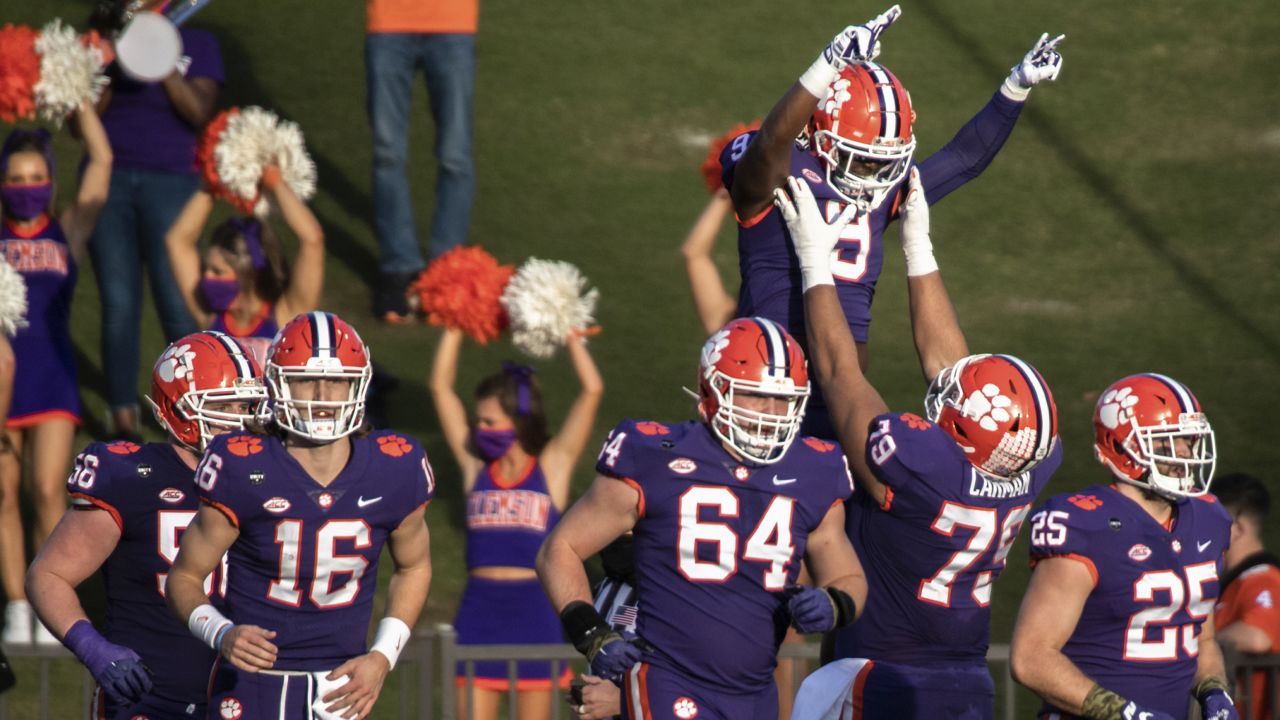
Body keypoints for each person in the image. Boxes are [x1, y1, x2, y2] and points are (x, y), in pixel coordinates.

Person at [778, 167, 1061, 717]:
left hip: (881, 679)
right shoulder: (1032, 460)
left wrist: (814, 261)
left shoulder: (916, 467)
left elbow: (840, 373)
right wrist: (918, 246)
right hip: (968, 684)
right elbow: (952, 371)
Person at [722, 5, 1063, 436]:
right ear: (818, 131)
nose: (873, 175)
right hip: (761, 389)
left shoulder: (882, 189)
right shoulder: (779, 177)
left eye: (882, 162)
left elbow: (964, 159)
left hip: (844, 396)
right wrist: (826, 64)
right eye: (860, 159)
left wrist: (1014, 88)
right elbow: (771, 142)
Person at [538, 316, 867, 720]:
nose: (772, 412)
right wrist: (591, 633)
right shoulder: (655, 456)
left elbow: (849, 577)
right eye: (755, 395)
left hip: (755, 690)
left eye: (784, 399)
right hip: (668, 678)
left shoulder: (814, 470)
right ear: (712, 390)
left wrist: (833, 604)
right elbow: (561, 547)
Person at [166, 312, 434, 719]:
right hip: (252, 681)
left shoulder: (396, 466)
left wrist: (382, 656)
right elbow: (183, 577)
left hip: (342, 687)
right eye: (306, 379)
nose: (323, 395)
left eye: (337, 380)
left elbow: (414, 567)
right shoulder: (241, 466)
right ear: (277, 383)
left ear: (357, 385)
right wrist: (221, 633)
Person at [25, 331, 267, 719]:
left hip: (247, 697)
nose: (243, 418)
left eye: (249, 404)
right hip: (149, 698)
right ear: (179, 409)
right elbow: (49, 574)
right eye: (228, 404)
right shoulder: (130, 477)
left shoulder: (268, 477)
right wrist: (92, 647)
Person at [1010, 374, 1236, 719]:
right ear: (1120, 447)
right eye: (1167, 444)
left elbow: (1201, 641)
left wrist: (1214, 691)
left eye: (1188, 441)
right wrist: (1126, 714)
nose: (1186, 455)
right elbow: (1031, 658)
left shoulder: (1209, 518)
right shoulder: (1086, 525)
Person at [429, 326, 603, 720]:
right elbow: (441, 387)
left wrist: (572, 336)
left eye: (490, 422)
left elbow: (591, 391)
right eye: (479, 421)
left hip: (534, 612)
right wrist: (457, 325)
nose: (480, 430)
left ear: (520, 420)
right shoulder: (477, 467)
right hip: (478, 611)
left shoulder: (551, 468)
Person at [0, 102, 112, 645]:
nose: (26, 187)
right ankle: (17, 605)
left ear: (49, 179)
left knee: (48, 489)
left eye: (36, 177)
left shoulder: (67, 229)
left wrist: (78, 98)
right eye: (16, 179)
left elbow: (103, 161)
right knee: (3, 491)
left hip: (51, 377)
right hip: (1, 378)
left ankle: (50, 594)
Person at [87, 0, 223, 438]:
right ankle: (123, 417)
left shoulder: (198, 40)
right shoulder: (107, 38)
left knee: (176, 301)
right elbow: (82, 119)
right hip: (111, 180)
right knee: (119, 302)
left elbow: (199, 112)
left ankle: (191, 407)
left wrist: (160, 57)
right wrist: (109, 56)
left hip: (173, 182)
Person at [366, 0, 477, 322]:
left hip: (453, 23)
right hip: (388, 23)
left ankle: (447, 272)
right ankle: (398, 267)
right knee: (387, 153)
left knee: (455, 155)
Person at [165, 168, 325, 364]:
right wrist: (211, 185)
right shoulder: (210, 316)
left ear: (248, 273)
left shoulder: (287, 316)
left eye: (218, 271)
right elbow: (177, 242)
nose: (206, 277)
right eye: (207, 269)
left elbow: (313, 241)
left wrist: (276, 183)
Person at [1212, 473, 1280, 718]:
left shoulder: (1263, 579)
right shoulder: (1235, 584)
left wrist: (1200, 647)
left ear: (1238, 528)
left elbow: (1257, 636)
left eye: (1212, 523)